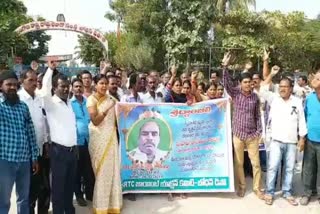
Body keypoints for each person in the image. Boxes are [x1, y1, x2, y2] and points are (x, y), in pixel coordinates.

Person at [259, 69, 307, 206]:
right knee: (273, 167)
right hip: (275, 141)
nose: (282, 89)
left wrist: (302, 138)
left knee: (289, 168)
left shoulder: (297, 102)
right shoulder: (274, 98)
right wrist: (271, 75)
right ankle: (269, 192)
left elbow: (301, 121)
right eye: (280, 87)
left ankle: (287, 192)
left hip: (291, 142)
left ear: (291, 88)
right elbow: (262, 89)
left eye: (285, 87)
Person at [222, 52, 264, 200]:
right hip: (238, 134)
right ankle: (242, 187)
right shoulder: (235, 94)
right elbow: (226, 83)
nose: (247, 84)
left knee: (256, 164)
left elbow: (257, 116)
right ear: (240, 83)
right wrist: (225, 66)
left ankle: (257, 188)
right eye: (245, 82)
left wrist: (259, 132)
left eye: (249, 82)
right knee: (238, 163)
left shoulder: (255, 97)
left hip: (252, 136)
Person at [40, 61, 78, 214]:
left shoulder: (69, 103)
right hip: (59, 152)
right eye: (62, 86)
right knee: (58, 189)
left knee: (69, 187)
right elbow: (44, 91)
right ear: (54, 88)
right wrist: (50, 70)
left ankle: (69, 211)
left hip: (72, 152)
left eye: (67, 86)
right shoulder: (51, 104)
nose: (65, 88)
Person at [0, 71, 39, 214]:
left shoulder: (23, 107)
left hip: (24, 160)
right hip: (4, 160)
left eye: (15, 85)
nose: (12, 87)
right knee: (3, 200)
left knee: (24, 198)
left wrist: (34, 156)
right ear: (1, 86)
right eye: (8, 84)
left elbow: (30, 132)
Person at [87, 74, 122, 213]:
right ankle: (101, 207)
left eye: (105, 83)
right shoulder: (91, 99)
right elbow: (95, 120)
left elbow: (123, 112)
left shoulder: (111, 99)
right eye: (101, 83)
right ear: (95, 84)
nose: (104, 86)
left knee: (112, 172)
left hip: (111, 139)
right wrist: (107, 108)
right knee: (101, 174)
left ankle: (113, 205)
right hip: (98, 140)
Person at [18, 70, 50, 214]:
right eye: (30, 80)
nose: (34, 83)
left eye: (36, 80)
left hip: (42, 149)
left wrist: (46, 142)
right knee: (29, 190)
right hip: (25, 153)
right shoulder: (18, 99)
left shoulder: (39, 98)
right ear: (22, 81)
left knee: (44, 187)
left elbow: (43, 122)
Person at [70, 78, 95, 207]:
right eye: (76, 86)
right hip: (77, 142)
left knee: (88, 170)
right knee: (77, 171)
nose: (78, 89)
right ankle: (79, 195)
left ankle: (89, 194)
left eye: (80, 86)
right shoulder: (69, 104)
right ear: (72, 88)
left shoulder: (88, 101)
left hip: (89, 140)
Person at [300, 71, 320, 205]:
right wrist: (302, 137)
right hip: (310, 139)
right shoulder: (309, 97)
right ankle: (308, 192)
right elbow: (304, 118)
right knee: (308, 167)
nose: (313, 80)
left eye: (317, 78)